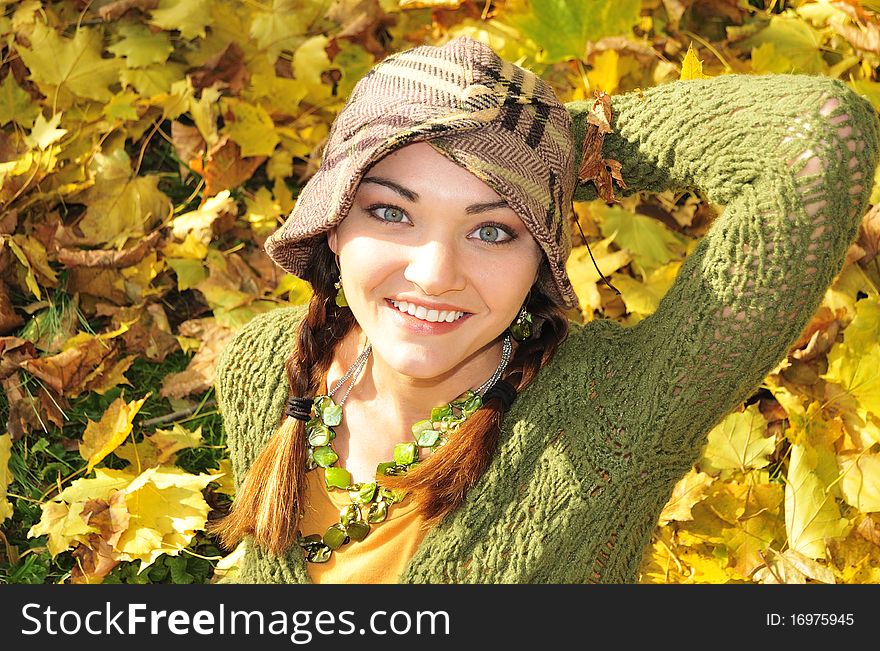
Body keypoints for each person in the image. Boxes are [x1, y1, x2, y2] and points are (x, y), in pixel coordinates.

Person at [208, 37, 879, 584]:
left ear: (542, 259)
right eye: (391, 211)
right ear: (330, 220)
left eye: (494, 229)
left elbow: (820, 136)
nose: (435, 274)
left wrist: (544, 142)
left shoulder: (619, 409)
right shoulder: (265, 363)